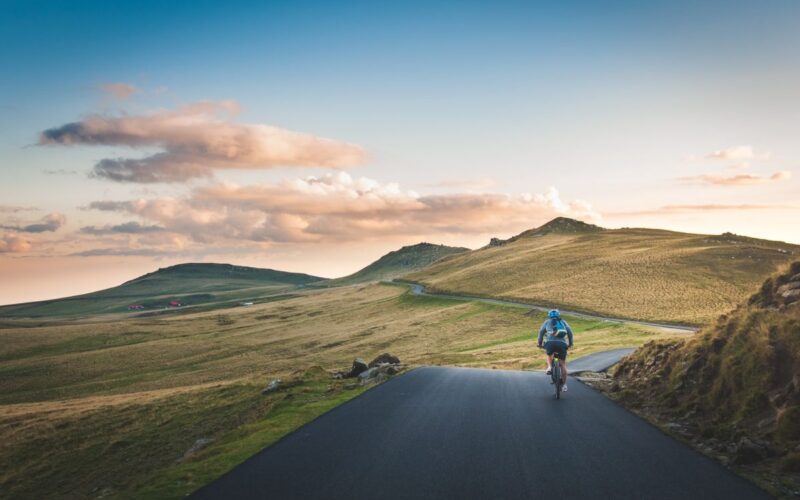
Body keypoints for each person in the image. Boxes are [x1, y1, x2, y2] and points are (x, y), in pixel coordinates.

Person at [537, 309, 574, 391]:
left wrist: (539, 343)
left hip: (550, 343)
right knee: (563, 364)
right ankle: (564, 385)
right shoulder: (563, 322)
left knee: (549, 354)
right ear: (558, 315)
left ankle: (550, 367)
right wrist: (570, 343)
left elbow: (541, 333)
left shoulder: (547, 322)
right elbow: (570, 333)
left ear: (549, 315)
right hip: (562, 344)